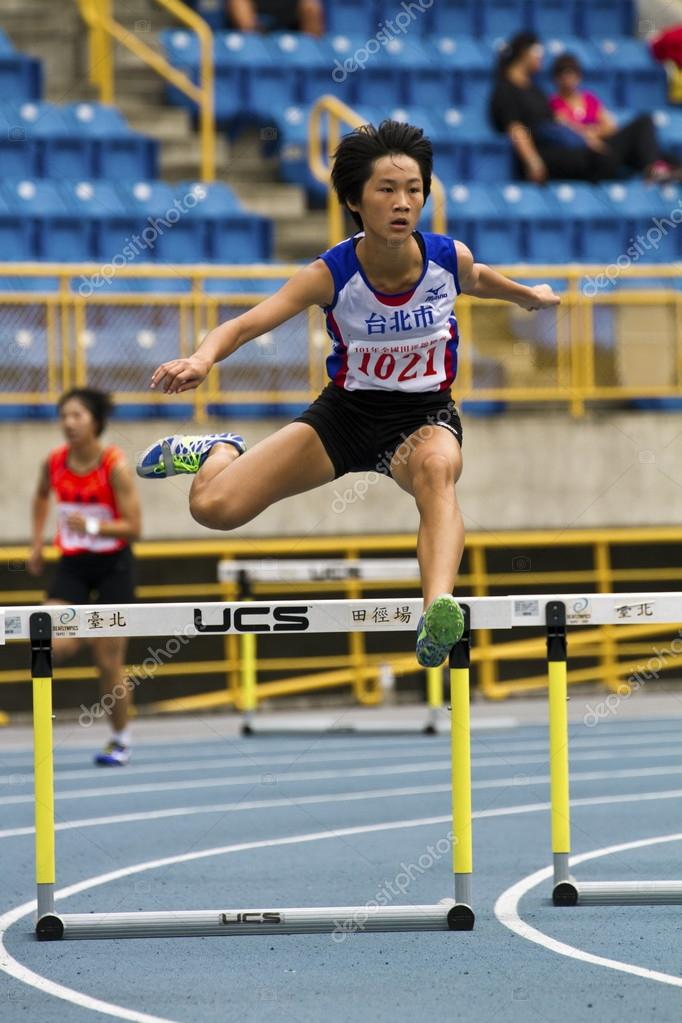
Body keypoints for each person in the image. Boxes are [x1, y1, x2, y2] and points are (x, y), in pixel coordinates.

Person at [136, 120, 560, 669]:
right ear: (355, 201)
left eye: (413, 189)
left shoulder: (445, 259)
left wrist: (529, 296)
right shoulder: (330, 274)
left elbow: (478, 278)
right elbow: (244, 325)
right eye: (386, 189)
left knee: (437, 472)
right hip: (346, 415)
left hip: (422, 416)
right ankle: (220, 451)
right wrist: (201, 358)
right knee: (213, 508)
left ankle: (437, 612)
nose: (402, 202)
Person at [28, 389, 141, 766]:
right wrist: (36, 543)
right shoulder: (54, 462)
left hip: (114, 565)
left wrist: (92, 524)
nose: (68, 423)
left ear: (95, 421)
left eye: (76, 415)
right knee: (50, 643)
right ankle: (44, 731)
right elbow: (42, 496)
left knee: (108, 661)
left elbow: (134, 527)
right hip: (73, 564)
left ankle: (121, 739)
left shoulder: (115, 466)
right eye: (63, 416)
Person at [489, 32, 620, 183]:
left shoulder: (534, 89)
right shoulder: (506, 89)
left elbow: (558, 120)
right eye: (537, 52)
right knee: (603, 160)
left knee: (607, 154)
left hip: (560, 146)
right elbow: (517, 129)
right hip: (543, 153)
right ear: (524, 53)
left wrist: (586, 139)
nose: (541, 57)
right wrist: (533, 161)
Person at [549, 53, 680, 183]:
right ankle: (654, 170)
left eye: (572, 73)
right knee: (643, 123)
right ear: (556, 78)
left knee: (663, 156)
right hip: (592, 157)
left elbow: (611, 126)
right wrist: (591, 133)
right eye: (563, 74)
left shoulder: (589, 99)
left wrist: (592, 132)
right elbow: (567, 131)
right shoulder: (554, 103)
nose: (568, 79)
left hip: (606, 146)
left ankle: (663, 170)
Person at [227, 0, 324, 35]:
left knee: (311, 7)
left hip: (288, 9)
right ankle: (254, 50)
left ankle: (311, 55)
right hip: (257, 9)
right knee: (238, 3)